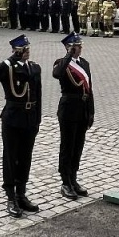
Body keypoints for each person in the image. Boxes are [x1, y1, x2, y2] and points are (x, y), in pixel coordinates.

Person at [0, 34, 43, 216]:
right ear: (15, 51)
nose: (26, 52)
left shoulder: (34, 68)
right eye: (22, 50)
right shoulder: (8, 68)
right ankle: (11, 197)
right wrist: (12, 58)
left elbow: (38, 95)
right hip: (12, 118)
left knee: (25, 157)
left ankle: (21, 194)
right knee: (11, 157)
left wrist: (37, 119)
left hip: (29, 118)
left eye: (27, 49)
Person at [51, 33, 94, 199]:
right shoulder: (61, 63)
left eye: (80, 46)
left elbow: (89, 89)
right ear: (69, 47)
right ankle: (65, 182)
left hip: (82, 108)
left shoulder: (84, 63)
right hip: (68, 109)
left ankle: (74, 178)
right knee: (67, 146)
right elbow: (57, 74)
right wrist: (69, 55)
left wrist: (91, 112)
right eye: (76, 46)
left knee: (78, 146)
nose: (80, 48)